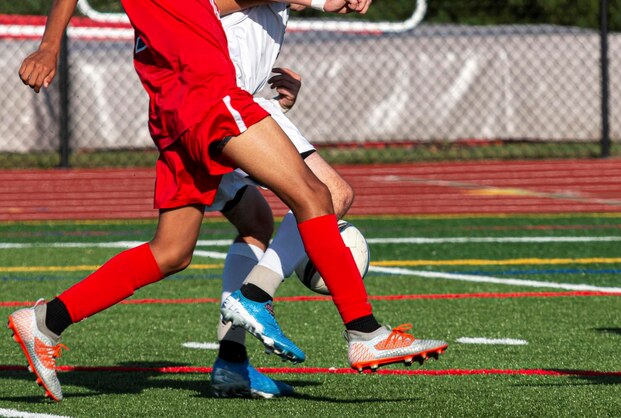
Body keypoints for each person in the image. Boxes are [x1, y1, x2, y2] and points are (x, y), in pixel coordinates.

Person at [10, 0, 447, 404]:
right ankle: (362, 329)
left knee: (172, 252)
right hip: (204, 92)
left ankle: (47, 321)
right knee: (318, 195)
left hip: (179, 103)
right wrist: (48, 47)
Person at [208, 3, 356, 398]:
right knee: (333, 194)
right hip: (227, 107)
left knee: (252, 222)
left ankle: (231, 363)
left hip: (218, 102)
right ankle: (255, 296)